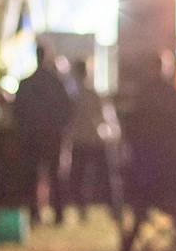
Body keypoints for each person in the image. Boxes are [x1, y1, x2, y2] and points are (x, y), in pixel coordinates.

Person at [117, 53, 176, 251]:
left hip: (144, 185)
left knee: (147, 202)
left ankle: (132, 242)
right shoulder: (173, 117)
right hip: (167, 185)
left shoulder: (142, 104)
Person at [12, 42, 75, 225]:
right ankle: (58, 214)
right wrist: (61, 129)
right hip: (52, 135)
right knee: (56, 176)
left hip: (31, 136)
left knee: (32, 176)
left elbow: (17, 112)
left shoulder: (26, 84)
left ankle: (34, 213)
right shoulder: (57, 83)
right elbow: (68, 109)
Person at [63, 57, 120, 221]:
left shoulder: (72, 97)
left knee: (79, 178)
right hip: (95, 140)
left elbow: (67, 121)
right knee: (105, 177)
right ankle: (113, 209)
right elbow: (106, 118)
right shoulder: (93, 95)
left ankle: (83, 210)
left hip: (80, 141)